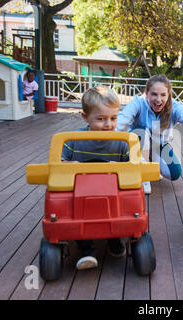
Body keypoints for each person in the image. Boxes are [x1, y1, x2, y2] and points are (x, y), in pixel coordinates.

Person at [61, 86, 128, 270]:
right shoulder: (72, 139)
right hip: (81, 193)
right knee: (73, 209)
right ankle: (86, 249)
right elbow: (60, 163)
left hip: (112, 192)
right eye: (101, 119)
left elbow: (132, 167)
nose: (108, 124)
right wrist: (69, 166)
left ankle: (115, 238)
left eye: (113, 118)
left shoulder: (122, 142)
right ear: (85, 117)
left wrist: (122, 168)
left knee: (122, 203)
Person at [116, 74, 183, 193]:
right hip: (138, 144)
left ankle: (151, 165)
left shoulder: (175, 106)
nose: (158, 99)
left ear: (168, 95)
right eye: (154, 94)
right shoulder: (138, 103)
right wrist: (106, 133)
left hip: (158, 145)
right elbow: (123, 119)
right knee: (141, 132)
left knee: (175, 173)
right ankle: (144, 176)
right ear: (146, 93)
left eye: (163, 95)